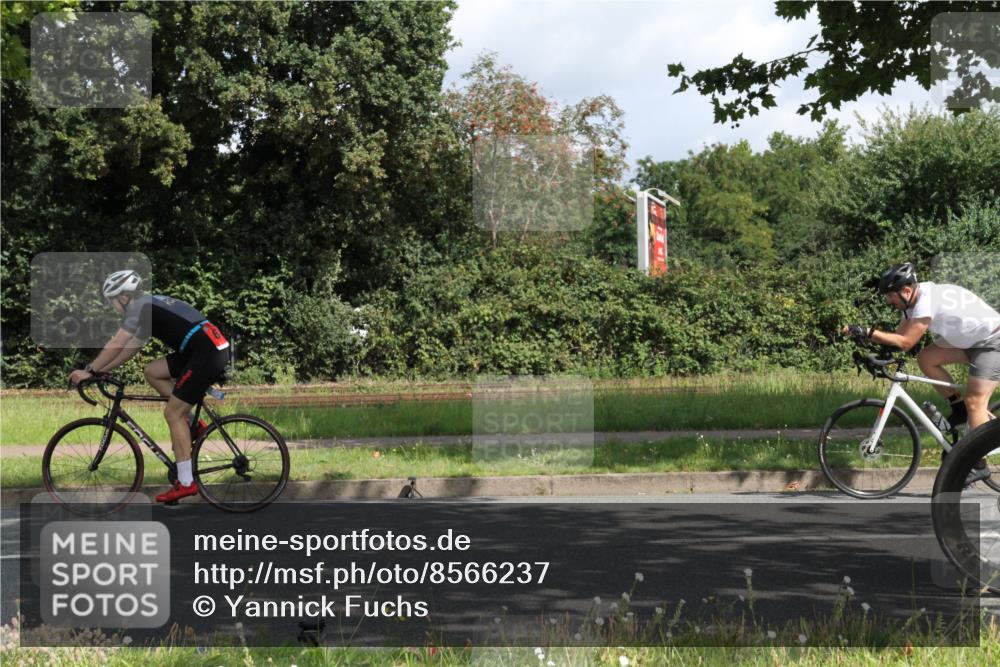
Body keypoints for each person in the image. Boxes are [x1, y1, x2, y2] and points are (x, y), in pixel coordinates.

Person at [67, 270, 231, 503]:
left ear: (123, 297)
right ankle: (192, 424)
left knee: (173, 413)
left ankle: (186, 482)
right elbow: (131, 348)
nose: (112, 306)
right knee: (152, 371)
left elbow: (118, 342)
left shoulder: (139, 308)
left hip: (205, 352)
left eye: (112, 300)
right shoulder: (147, 307)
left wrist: (90, 370)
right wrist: (103, 370)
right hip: (203, 348)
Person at [843, 262, 1000, 482]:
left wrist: (868, 332)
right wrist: (877, 354)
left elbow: (906, 342)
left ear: (906, 291)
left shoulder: (926, 301)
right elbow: (897, 339)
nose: (889, 301)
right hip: (969, 342)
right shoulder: (911, 303)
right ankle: (959, 409)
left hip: (992, 341)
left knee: (975, 402)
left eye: (890, 296)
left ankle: (978, 463)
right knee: (926, 358)